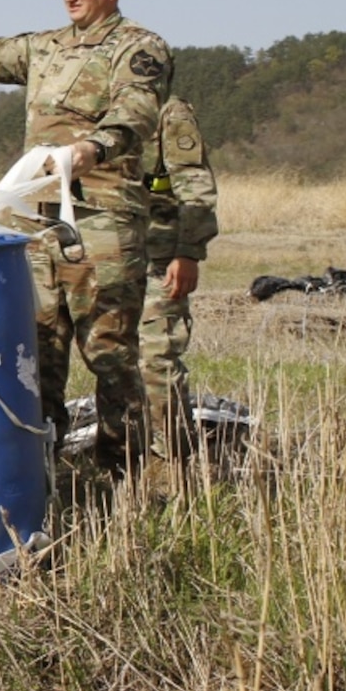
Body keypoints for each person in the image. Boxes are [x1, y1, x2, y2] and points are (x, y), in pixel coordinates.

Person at [0, 0, 172, 474]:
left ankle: (121, 474)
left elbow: (134, 112)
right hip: (36, 222)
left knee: (109, 355)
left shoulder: (138, 47)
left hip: (101, 222)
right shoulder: (44, 47)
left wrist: (91, 151)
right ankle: (41, 471)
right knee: (37, 351)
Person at [139, 94, 218, 463]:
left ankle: (172, 459)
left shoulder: (167, 111)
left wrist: (188, 252)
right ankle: (124, 458)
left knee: (157, 358)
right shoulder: (84, 107)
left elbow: (194, 183)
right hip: (100, 257)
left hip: (159, 255)